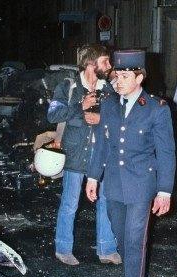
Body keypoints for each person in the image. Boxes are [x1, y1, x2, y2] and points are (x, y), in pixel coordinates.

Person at [85, 49, 175, 277]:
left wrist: (165, 190)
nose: (118, 81)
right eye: (116, 75)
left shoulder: (157, 109)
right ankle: (133, 267)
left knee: (135, 241)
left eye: (124, 76)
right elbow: (102, 143)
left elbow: (167, 152)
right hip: (113, 183)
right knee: (121, 236)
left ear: (139, 77)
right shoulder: (110, 104)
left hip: (141, 185)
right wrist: (92, 176)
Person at [46, 44, 120, 265]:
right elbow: (53, 114)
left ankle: (106, 249)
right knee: (70, 203)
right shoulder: (68, 86)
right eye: (105, 61)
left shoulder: (109, 90)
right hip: (76, 154)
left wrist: (101, 119)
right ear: (91, 64)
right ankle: (63, 248)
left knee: (106, 201)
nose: (109, 66)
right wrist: (80, 106)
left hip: (102, 154)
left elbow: (120, 119)